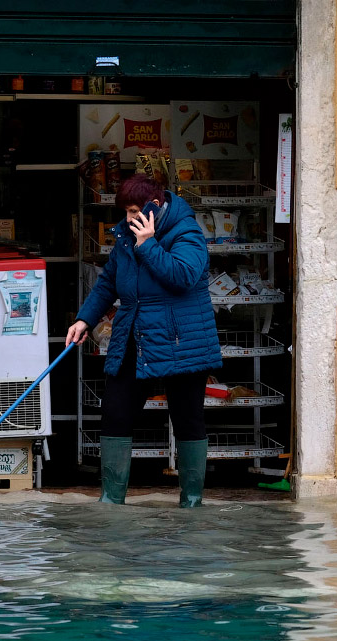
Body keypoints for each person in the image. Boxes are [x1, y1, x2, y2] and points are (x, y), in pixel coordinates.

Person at [66, 174, 221, 507]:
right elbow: (109, 282)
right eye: (124, 211)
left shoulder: (186, 232)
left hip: (182, 339)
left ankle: (191, 502)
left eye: (134, 210)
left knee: (187, 417)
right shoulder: (127, 234)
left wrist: (149, 245)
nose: (127, 218)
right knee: (116, 411)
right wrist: (84, 318)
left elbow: (183, 277)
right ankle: (111, 500)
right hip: (135, 333)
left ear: (155, 206)